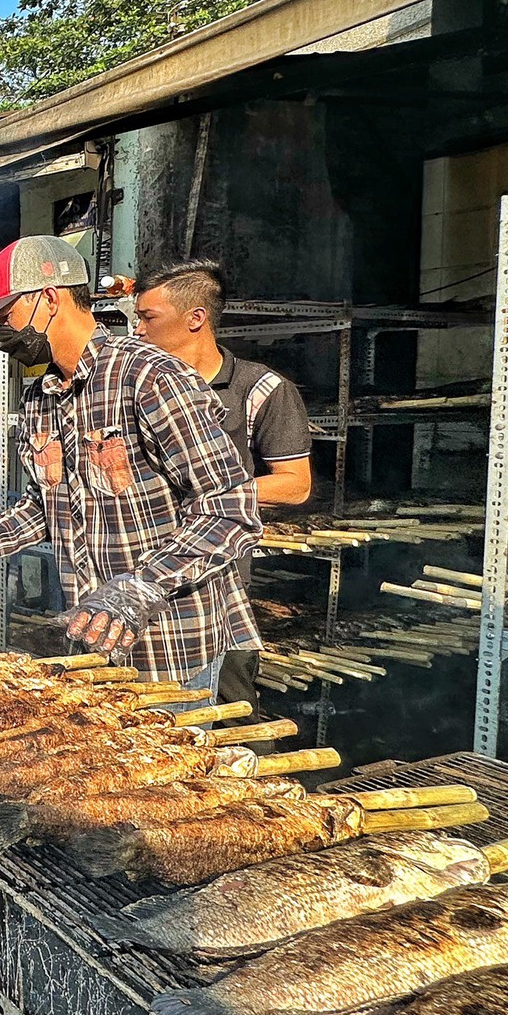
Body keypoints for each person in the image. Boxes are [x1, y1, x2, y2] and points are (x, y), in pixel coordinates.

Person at [0, 235, 262, 689]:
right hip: (90, 643)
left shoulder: (148, 379)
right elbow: (44, 509)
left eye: (4, 317)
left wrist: (141, 587)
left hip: (169, 647)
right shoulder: (38, 399)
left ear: (48, 299)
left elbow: (231, 508)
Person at [134, 259, 313, 707]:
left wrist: (205, 496)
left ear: (196, 318)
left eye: (147, 317)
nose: (136, 330)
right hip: (142, 575)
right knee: (142, 715)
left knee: (228, 709)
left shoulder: (260, 389)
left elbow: (295, 485)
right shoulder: (136, 386)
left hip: (217, 582)